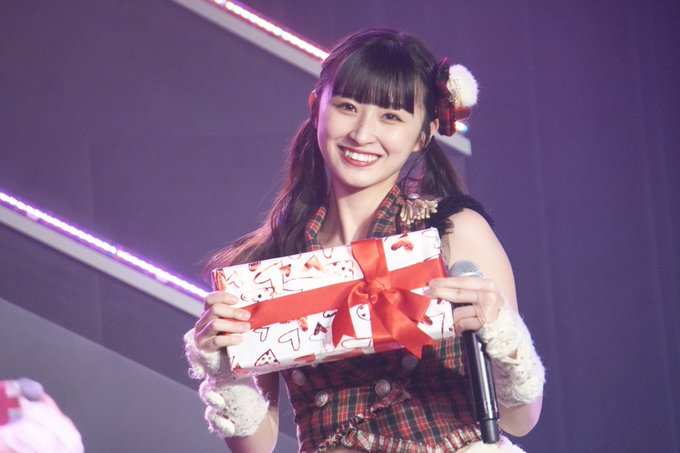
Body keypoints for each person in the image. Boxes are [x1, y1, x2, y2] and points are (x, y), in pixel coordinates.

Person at [184, 28, 545, 453]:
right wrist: (224, 371)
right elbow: (258, 446)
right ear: (317, 108)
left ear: (424, 133)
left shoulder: (453, 233)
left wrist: (500, 330)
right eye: (347, 106)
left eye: (390, 116)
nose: (362, 133)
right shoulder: (268, 266)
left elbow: (521, 419)